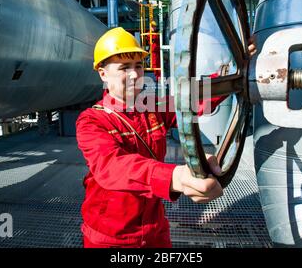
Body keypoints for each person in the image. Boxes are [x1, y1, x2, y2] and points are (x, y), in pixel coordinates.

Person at [76, 27, 256, 248]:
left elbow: (194, 99)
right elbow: (110, 166)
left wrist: (236, 72)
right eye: (124, 68)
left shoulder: (152, 108)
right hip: (111, 237)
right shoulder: (92, 120)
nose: (134, 75)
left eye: (138, 66)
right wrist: (176, 177)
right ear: (103, 73)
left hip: (155, 230)